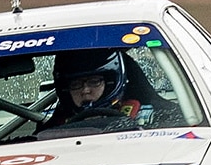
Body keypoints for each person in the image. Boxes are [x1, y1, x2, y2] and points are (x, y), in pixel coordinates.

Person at [40, 48, 177, 132]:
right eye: (76, 84)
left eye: (94, 82)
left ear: (111, 83)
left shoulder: (154, 118)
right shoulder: (53, 128)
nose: (85, 90)